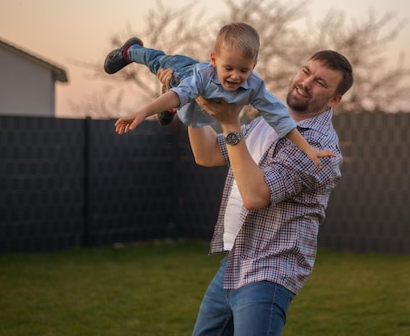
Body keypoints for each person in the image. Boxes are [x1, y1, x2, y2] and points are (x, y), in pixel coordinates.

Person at [171, 49, 353, 336]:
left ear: (334, 100)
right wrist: (191, 105)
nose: (306, 82)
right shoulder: (266, 121)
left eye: (320, 82)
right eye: (306, 71)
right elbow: (206, 154)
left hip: (271, 270)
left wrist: (230, 122)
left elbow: (255, 196)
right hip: (236, 261)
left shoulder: (318, 147)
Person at [106, 23, 334, 167]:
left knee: (183, 102)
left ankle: (171, 108)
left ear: (253, 66)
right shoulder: (204, 75)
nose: (235, 76)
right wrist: (142, 112)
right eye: (229, 69)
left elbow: (280, 120)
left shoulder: (254, 87)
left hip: (195, 109)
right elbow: (180, 93)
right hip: (183, 75)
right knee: (160, 63)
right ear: (214, 61)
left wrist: (307, 148)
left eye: (244, 70)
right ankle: (129, 51)